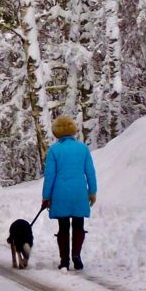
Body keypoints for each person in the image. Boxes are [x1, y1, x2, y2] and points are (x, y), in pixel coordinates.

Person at [41, 115, 97, 270]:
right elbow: (90, 172)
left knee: (63, 227)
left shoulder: (54, 150)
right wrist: (92, 192)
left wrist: (46, 196)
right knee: (79, 225)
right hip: (79, 192)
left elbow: (50, 176)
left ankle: (64, 260)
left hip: (60, 193)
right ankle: (76, 256)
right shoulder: (83, 148)